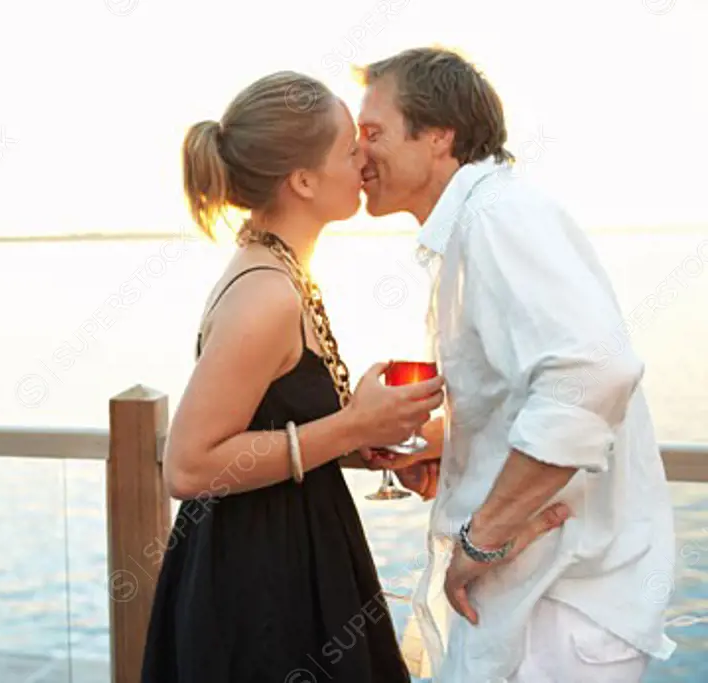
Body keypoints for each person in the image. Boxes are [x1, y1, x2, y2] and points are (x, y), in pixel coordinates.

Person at [139, 70, 566, 683]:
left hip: (294, 552)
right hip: (258, 585)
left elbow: (273, 427)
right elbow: (189, 464)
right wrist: (352, 425)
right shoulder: (264, 293)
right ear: (304, 180)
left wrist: (373, 444)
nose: (364, 157)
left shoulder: (286, 272)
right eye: (348, 147)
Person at [354, 46, 677, 682]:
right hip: (531, 603)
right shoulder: (475, 226)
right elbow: (530, 394)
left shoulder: (500, 219)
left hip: (556, 608)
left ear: (440, 135)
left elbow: (593, 374)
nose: (359, 153)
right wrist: (452, 452)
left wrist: (484, 535)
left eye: (373, 132)